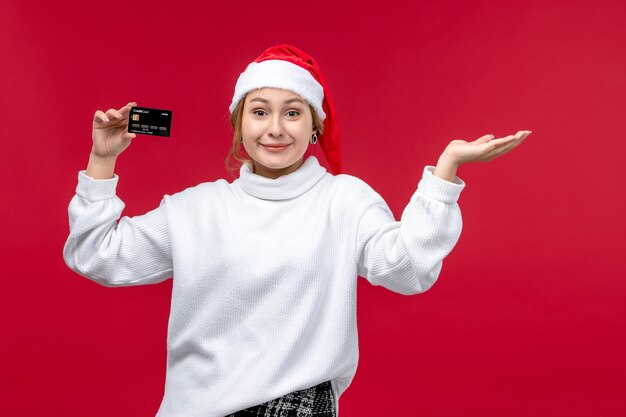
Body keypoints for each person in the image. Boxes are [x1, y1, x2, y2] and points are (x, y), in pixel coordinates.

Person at [63, 44, 530, 417]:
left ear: (313, 127)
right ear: (239, 125)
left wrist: (444, 173)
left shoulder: (344, 200)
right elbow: (97, 255)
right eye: (260, 111)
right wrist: (102, 159)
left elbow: (407, 271)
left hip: (299, 406)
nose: (275, 129)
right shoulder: (195, 210)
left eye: (292, 112)